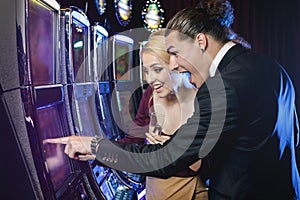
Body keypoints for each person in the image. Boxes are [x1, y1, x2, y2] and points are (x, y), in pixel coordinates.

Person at [46, 0, 300, 199]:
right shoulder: (272, 67)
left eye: (175, 54)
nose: (175, 65)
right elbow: (293, 136)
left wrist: (94, 147)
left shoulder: (223, 88)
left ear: (200, 41)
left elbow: (165, 158)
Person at [117, 29, 208, 199]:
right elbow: (134, 139)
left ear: (175, 64)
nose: (150, 79)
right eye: (146, 71)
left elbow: (215, 162)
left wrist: (177, 151)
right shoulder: (151, 94)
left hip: (194, 189)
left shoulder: (202, 98)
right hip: (158, 189)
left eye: (157, 69)